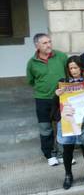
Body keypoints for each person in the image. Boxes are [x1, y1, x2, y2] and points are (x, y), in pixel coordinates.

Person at [54, 55, 84, 189]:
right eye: (71, 68)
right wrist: (56, 95)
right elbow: (56, 103)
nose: (73, 70)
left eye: (75, 67)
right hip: (68, 120)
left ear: (81, 68)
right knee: (67, 149)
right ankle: (68, 175)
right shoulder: (63, 82)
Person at [26, 33, 68, 166]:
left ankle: (63, 154)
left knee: (63, 127)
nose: (49, 45)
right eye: (44, 43)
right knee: (45, 128)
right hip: (42, 99)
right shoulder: (32, 63)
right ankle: (50, 154)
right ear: (37, 45)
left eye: (49, 42)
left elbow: (69, 72)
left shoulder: (61, 56)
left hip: (60, 97)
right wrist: (43, 89)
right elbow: (31, 80)